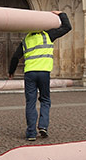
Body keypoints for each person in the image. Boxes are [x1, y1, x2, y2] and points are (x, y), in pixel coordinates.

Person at [8, 11, 72, 141]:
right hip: (44, 73)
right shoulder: (48, 35)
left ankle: (31, 133)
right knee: (45, 100)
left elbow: (15, 57)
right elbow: (67, 27)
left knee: (30, 103)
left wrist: (11, 71)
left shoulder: (25, 39)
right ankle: (43, 126)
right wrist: (61, 14)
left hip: (30, 74)